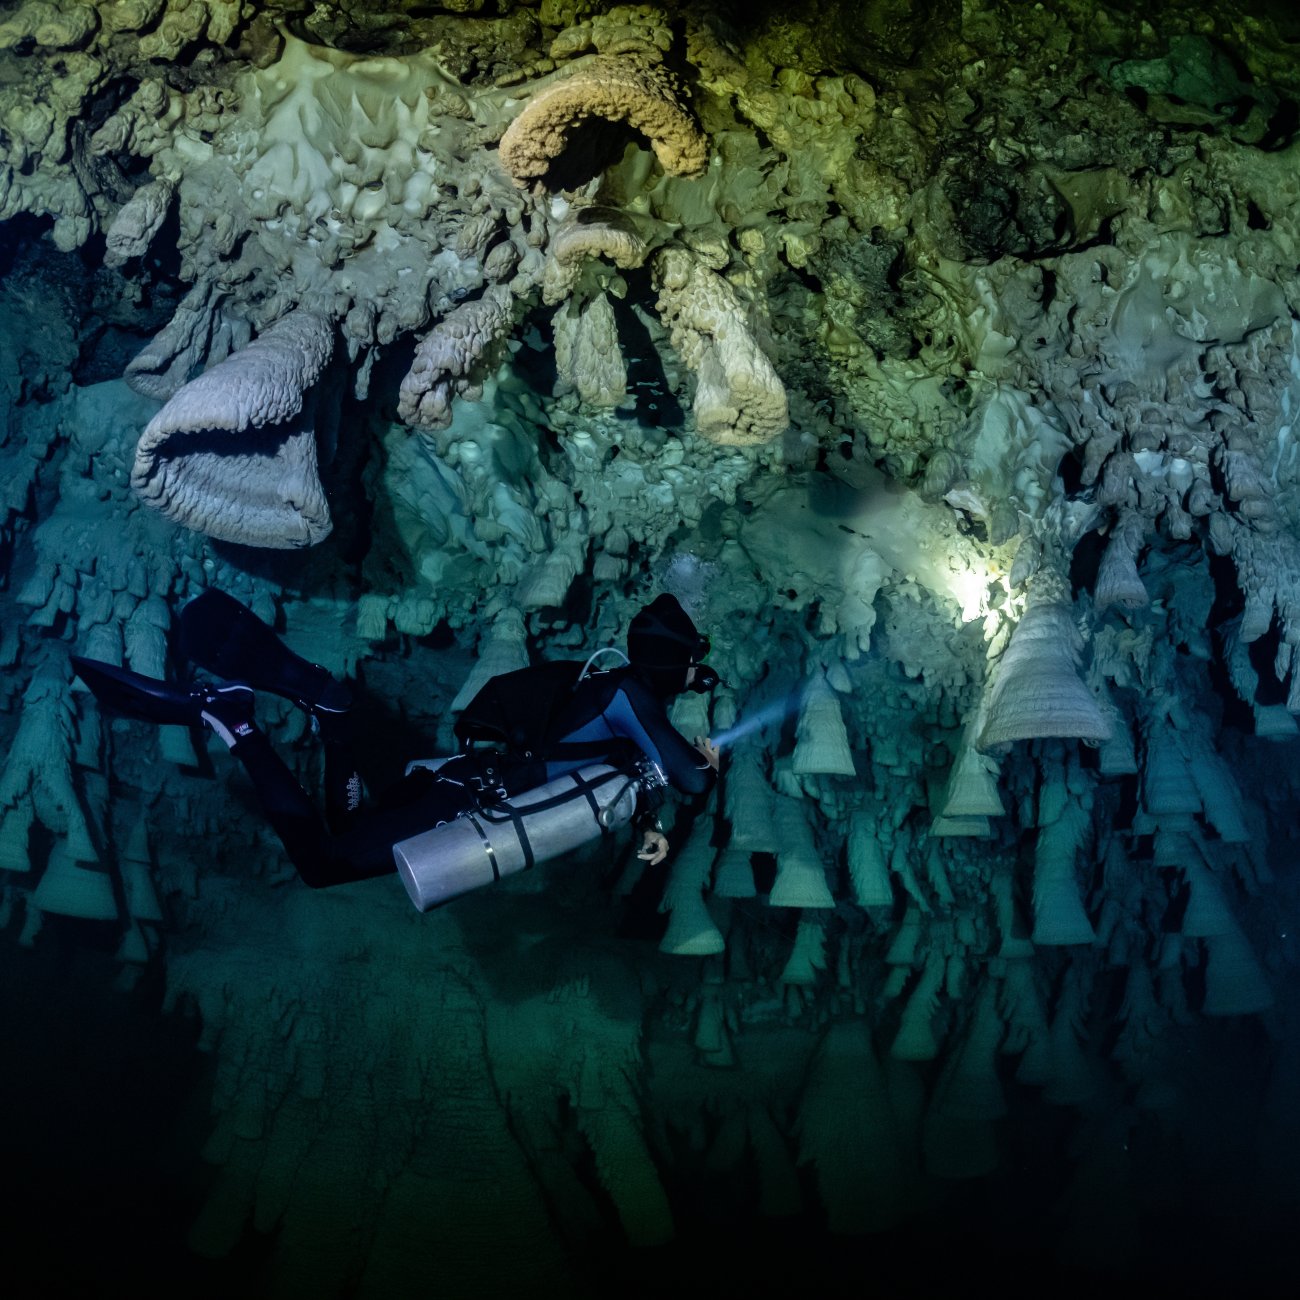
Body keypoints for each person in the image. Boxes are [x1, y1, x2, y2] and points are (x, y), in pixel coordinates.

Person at [72, 591, 720, 891]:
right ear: (674, 659)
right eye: (697, 660)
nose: (701, 674)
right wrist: (708, 769)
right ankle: (233, 721)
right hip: (464, 801)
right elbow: (689, 778)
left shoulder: (614, 695)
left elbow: (599, 765)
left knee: (346, 827)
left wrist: (647, 824)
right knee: (324, 866)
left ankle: (332, 713)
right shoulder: (628, 693)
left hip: (462, 788)